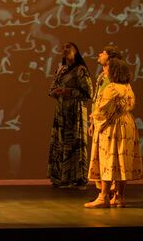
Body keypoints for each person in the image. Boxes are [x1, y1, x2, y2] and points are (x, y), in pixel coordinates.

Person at [85, 57, 143, 208]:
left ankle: (103, 196)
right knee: (122, 161)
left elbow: (103, 110)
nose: (105, 70)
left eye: (108, 68)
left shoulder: (111, 88)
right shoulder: (127, 86)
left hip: (113, 126)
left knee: (108, 159)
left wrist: (94, 118)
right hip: (127, 124)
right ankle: (119, 197)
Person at [46, 42, 93, 189]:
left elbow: (89, 93)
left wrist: (69, 92)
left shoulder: (80, 70)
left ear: (76, 51)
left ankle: (78, 179)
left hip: (76, 112)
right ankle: (61, 177)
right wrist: (56, 92)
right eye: (63, 48)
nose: (65, 50)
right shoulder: (61, 69)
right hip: (62, 112)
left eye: (69, 47)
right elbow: (52, 89)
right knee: (60, 143)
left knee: (76, 144)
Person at [90, 45, 124, 197]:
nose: (99, 54)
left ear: (109, 58)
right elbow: (97, 100)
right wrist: (92, 122)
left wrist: (98, 118)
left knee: (111, 157)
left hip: (110, 123)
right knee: (102, 157)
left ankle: (109, 194)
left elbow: (108, 103)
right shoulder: (102, 77)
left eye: (103, 53)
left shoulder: (114, 78)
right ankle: (111, 194)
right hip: (100, 121)